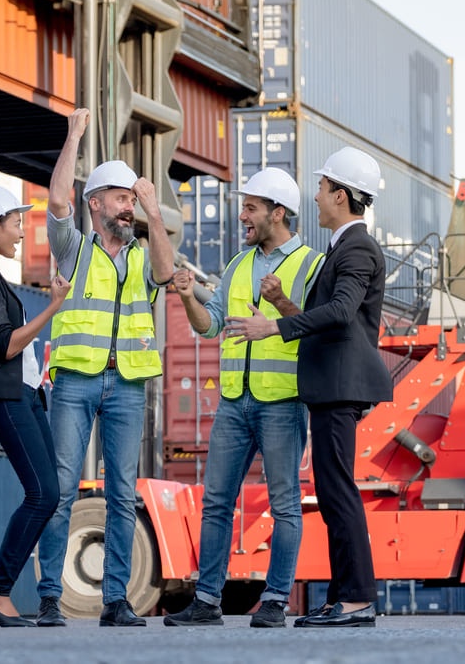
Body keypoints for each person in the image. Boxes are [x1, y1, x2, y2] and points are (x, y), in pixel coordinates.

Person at [225, 147, 393, 629]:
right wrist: (281, 304)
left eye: (321, 189)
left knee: (339, 492)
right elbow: (328, 323)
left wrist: (271, 330)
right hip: (331, 384)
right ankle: (342, 597)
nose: (315, 197)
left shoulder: (357, 247)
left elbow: (340, 313)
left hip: (339, 386)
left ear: (340, 196)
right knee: (333, 489)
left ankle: (358, 599)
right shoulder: (345, 248)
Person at [163, 168, 323, 629]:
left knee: (284, 503)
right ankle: (207, 600)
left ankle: (275, 600)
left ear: (278, 213)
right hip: (234, 402)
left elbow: (319, 328)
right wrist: (188, 297)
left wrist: (280, 305)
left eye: (251, 207)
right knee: (216, 501)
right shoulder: (236, 265)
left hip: (282, 401)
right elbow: (208, 325)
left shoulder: (311, 265)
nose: (242, 215)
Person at [35, 108, 176, 627]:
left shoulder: (143, 253)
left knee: (121, 494)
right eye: (121, 198)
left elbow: (166, 273)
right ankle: (50, 596)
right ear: (95, 204)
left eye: (131, 199)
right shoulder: (73, 249)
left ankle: (115, 600)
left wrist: (155, 213)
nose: (129, 207)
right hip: (76, 381)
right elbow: (55, 201)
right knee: (61, 490)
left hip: (128, 385)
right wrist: (73, 135)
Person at [0, 184, 70, 628]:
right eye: (16, 222)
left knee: (51, 492)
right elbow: (3, 345)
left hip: (25, 393)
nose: (23, 230)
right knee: (42, 494)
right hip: (4, 395)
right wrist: (53, 309)